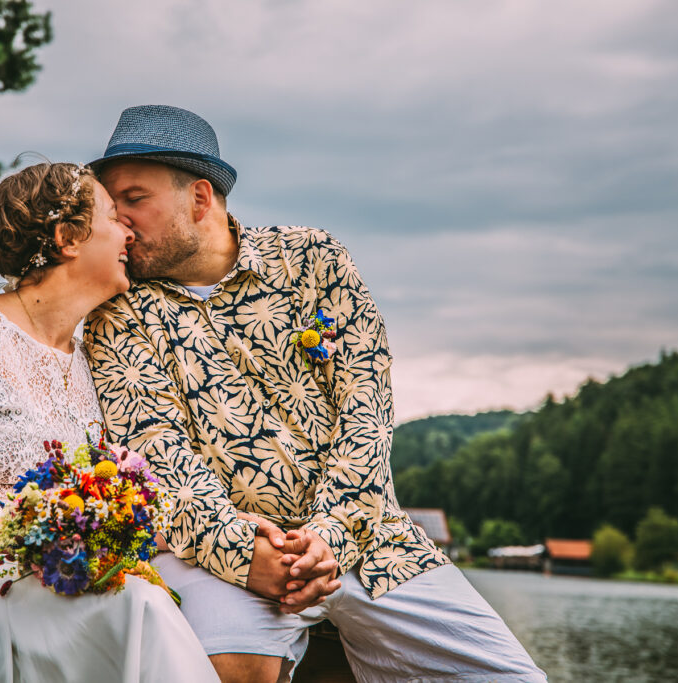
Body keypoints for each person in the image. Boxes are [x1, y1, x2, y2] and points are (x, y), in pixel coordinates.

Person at [84, 105, 547, 682]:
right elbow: (157, 452)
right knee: (227, 669)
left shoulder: (313, 260)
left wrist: (329, 537)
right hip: (224, 557)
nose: (122, 223)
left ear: (200, 198)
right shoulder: (116, 311)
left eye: (134, 198)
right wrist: (243, 553)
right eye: (112, 206)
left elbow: (366, 412)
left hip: (371, 542)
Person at [0, 161, 220, 683]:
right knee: (136, 603)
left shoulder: (89, 359)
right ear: (67, 238)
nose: (128, 232)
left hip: (59, 568)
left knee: (163, 593)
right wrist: (29, 538)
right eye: (113, 216)